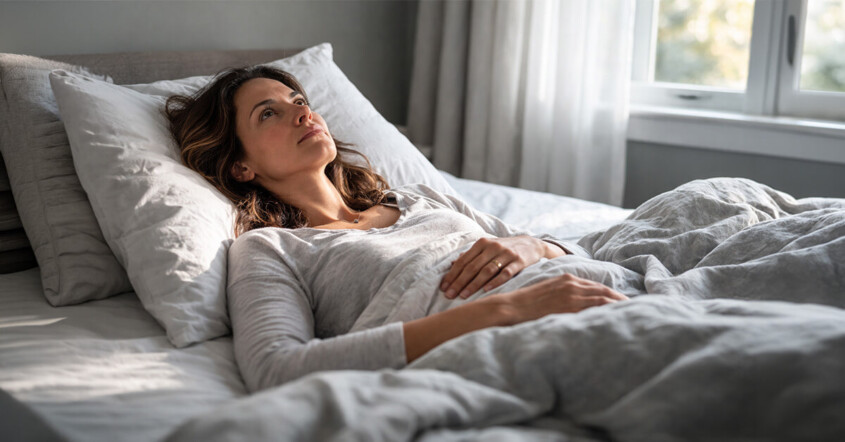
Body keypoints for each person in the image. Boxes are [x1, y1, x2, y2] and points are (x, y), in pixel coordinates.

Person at [165, 66, 628, 391]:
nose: (303, 114)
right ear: (241, 165)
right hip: (524, 339)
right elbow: (277, 368)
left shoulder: (421, 197)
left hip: (604, 293)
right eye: (269, 113)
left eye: (299, 101)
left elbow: (583, 255)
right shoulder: (273, 249)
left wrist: (530, 245)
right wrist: (504, 311)